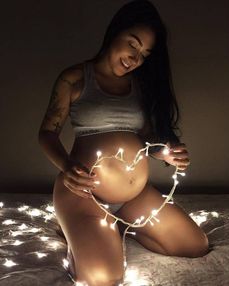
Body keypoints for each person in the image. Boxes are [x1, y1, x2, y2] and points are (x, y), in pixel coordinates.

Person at [38, 0, 209, 285]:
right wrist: (67, 166)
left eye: (144, 54)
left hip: (134, 198)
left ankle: (119, 228)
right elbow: (47, 133)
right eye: (133, 44)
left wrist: (165, 154)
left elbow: (147, 139)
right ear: (114, 32)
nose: (135, 58)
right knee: (104, 277)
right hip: (85, 195)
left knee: (195, 245)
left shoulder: (139, 86)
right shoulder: (75, 78)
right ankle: (77, 229)